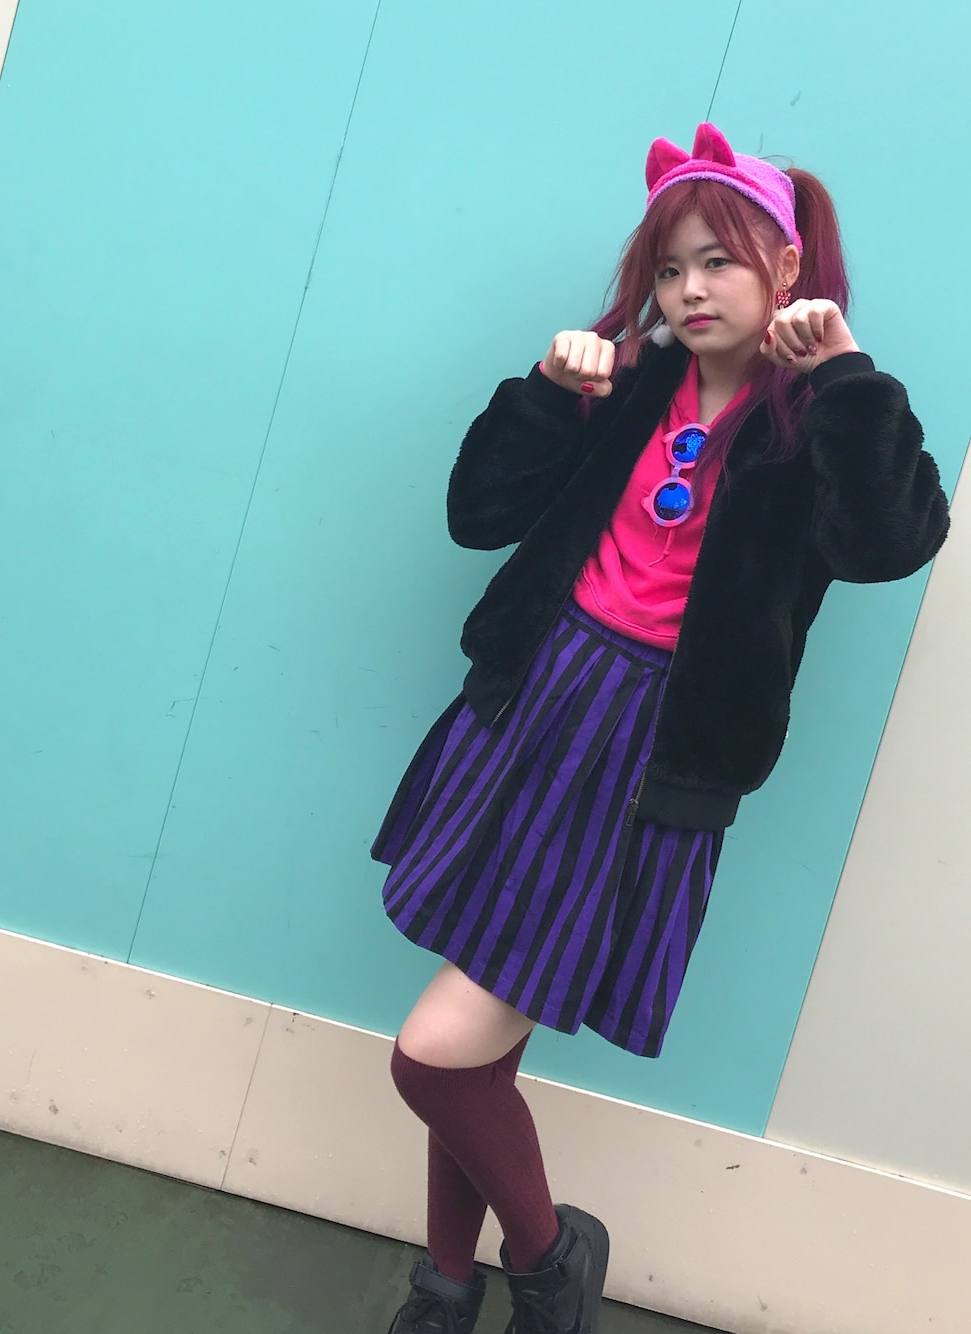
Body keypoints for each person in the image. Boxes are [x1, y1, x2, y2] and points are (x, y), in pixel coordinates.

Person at [372, 123, 950, 1334]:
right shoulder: (622, 382)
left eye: (718, 262)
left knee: (433, 1055)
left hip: (647, 751)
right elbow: (477, 514)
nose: (690, 289)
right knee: (474, 1054)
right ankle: (446, 1284)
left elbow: (888, 543)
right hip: (530, 709)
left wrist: (845, 374)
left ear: (785, 269)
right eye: (672, 266)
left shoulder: (813, 420)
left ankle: (550, 1260)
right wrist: (547, 394)